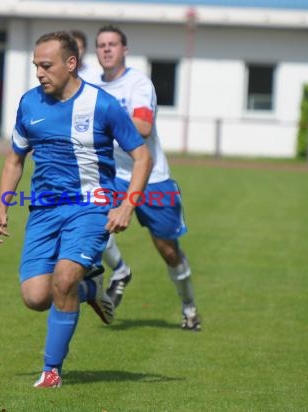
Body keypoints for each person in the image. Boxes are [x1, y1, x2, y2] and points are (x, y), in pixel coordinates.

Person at [0, 30, 152, 388]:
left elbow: (142, 156)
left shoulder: (103, 105)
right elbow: (15, 160)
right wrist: (1, 209)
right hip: (44, 212)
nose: (39, 73)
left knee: (63, 280)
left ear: (71, 63)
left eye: (46, 65)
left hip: (90, 208)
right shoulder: (29, 103)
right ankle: (91, 289)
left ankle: (51, 371)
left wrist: (127, 205)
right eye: (36, 66)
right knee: (35, 297)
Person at [94, 25, 201, 331]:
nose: (107, 49)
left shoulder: (138, 84)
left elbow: (142, 126)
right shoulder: (90, 86)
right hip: (113, 177)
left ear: (124, 49)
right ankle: (121, 271)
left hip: (153, 179)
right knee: (90, 223)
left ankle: (189, 307)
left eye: (112, 44)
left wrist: (103, 119)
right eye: (101, 45)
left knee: (168, 250)